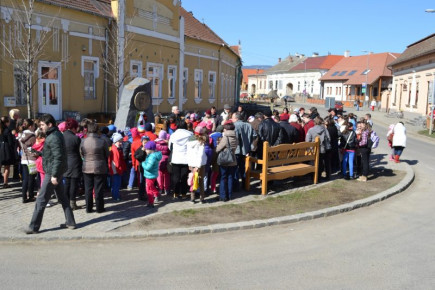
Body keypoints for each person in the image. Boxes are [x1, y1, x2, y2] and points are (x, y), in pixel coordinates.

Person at [25, 114, 76, 234]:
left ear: (50, 125)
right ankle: (70, 222)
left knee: (41, 200)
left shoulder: (53, 137)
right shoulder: (55, 134)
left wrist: (54, 175)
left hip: (52, 172)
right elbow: (53, 155)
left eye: (42, 125)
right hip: (55, 170)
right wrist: (38, 153)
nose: (40, 127)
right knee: (63, 198)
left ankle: (33, 227)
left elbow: (58, 157)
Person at [80, 122, 109, 213]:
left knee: (88, 188)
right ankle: (99, 208)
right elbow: (107, 154)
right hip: (99, 167)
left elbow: (81, 154)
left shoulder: (83, 141)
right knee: (98, 188)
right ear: (97, 130)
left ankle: (88, 208)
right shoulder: (102, 141)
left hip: (87, 166)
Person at [168, 120, 193, 199]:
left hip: (175, 159)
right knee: (184, 177)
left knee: (175, 177)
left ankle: (175, 193)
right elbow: (193, 146)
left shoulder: (173, 135)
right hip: (186, 159)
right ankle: (184, 194)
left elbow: (170, 147)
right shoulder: (191, 134)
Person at [232, 112, 256, 191]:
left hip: (237, 150)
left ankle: (236, 186)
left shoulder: (235, 126)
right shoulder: (248, 125)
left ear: (236, 118)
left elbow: (235, 138)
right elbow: (255, 135)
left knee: (235, 168)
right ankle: (245, 183)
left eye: (232, 118)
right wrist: (249, 142)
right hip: (246, 149)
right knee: (243, 167)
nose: (232, 119)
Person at [63, 118, 82, 210]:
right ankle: (72, 203)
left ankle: (65, 202)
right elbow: (80, 151)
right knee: (74, 183)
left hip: (65, 162)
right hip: (75, 162)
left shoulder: (61, 136)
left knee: (67, 183)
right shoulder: (76, 138)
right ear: (74, 128)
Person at [216, 121, 238, 201]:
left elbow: (218, 149)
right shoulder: (235, 137)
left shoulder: (225, 137)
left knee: (223, 177)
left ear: (226, 129)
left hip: (225, 160)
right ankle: (229, 195)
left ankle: (223, 196)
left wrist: (218, 145)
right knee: (230, 177)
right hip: (233, 159)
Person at [186, 126, 208, 204]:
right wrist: (197, 166)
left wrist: (190, 164)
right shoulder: (201, 142)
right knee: (201, 180)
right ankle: (202, 198)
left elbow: (188, 153)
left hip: (191, 163)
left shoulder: (189, 141)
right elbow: (200, 155)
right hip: (200, 164)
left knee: (193, 180)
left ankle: (192, 198)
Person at [17, 119, 37, 203]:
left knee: (25, 178)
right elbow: (34, 148)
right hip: (31, 159)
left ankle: (24, 196)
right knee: (31, 178)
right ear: (30, 126)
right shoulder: (32, 136)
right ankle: (31, 195)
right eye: (33, 126)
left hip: (24, 159)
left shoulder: (21, 134)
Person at [142, 141, 162, 208]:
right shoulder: (154, 155)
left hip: (149, 175)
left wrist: (143, 163)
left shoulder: (151, 157)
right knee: (152, 186)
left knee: (149, 189)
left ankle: (151, 203)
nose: (146, 151)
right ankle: (156, 194)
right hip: (153, 174)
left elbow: (148, 167)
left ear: (151, 149)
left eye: (147, 149)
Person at [108, 132, 127, 201]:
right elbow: (117, 162)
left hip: (114, 169)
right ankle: (116, 196)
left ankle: (115, 195)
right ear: (116, 141)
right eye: (120, 142)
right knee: (116, 184)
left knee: (115, 184)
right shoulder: (115, 150)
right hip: (116, 170)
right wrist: (120, 170)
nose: (121, 143)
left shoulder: (113, 148)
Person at [0, 116, 15, 188]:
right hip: (5, 149)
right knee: (7, 167)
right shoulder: (7, 130)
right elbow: (10, 142)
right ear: (6, 122)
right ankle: (5, 183)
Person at [155, 130, 171, 196]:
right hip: (166, 161)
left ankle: (160, 188)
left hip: (158, 161)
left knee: (159, 175)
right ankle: (166, 189)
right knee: (166, 175)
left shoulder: (156, 144)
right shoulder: (167, 144)